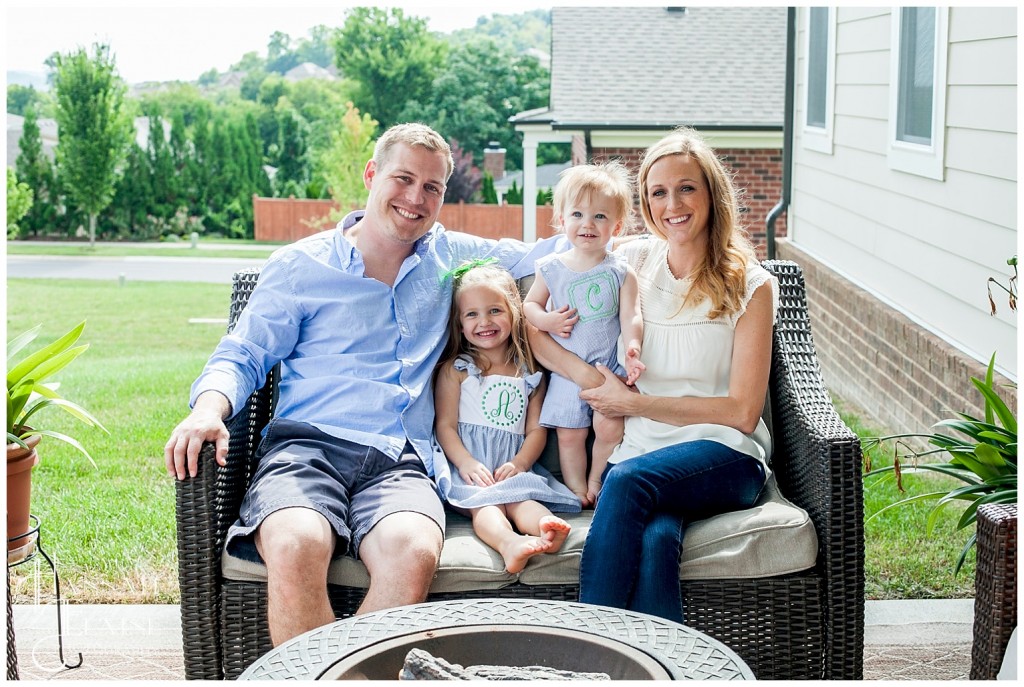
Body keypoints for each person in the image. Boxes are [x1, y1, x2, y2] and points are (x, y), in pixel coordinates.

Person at [163, 123, 567, 646]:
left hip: (402, 459)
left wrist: (658, 238)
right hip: (308, 448)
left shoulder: (451, 255)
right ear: (372, 175)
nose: (416, 198)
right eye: (403, 178)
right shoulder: (301, 265)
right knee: (295, 544)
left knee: (412, 551)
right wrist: (208, 409)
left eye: (432, 187)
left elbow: (554, 252)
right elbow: (243, 353)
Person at [528, 128, 778, 624]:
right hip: (646, 450)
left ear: (712, 194)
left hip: (724, 453)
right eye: (657, 192)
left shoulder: (751, 284)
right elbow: (539, 329)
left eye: (686, 188)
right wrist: (600, 385)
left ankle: (587, 655)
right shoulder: (634, 260)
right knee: (659, 537)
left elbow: (743, 413)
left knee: (624, 483)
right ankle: (663, 669)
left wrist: (634, 405)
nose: (672, 204)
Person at [433, 260, 580, 573]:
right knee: (486, 506)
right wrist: (465, 463)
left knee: (521, 501)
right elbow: (444, 426)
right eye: (471, 314)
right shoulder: (457, 370)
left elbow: (536, 430)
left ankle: (544, 527)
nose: (484, 321)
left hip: (510, 465)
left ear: (514, 312)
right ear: (459, 325)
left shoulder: (529, 373)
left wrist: (522, 463)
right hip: (473, 469)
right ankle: (508, 543)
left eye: (495, 310)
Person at [523, 162, 644, 507]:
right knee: (570, 435)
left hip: (607, 369)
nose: (587, 224)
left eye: (600, 217)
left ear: (616, 226)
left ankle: (596, 480)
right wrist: (547, 321)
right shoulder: (552, 268)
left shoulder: (621, 271)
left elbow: (631, 314)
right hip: (566, 373)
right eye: (577, 214)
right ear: (562, 220)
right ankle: (576, 489)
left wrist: (633, 346)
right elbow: (529, 308)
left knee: (610, 429)